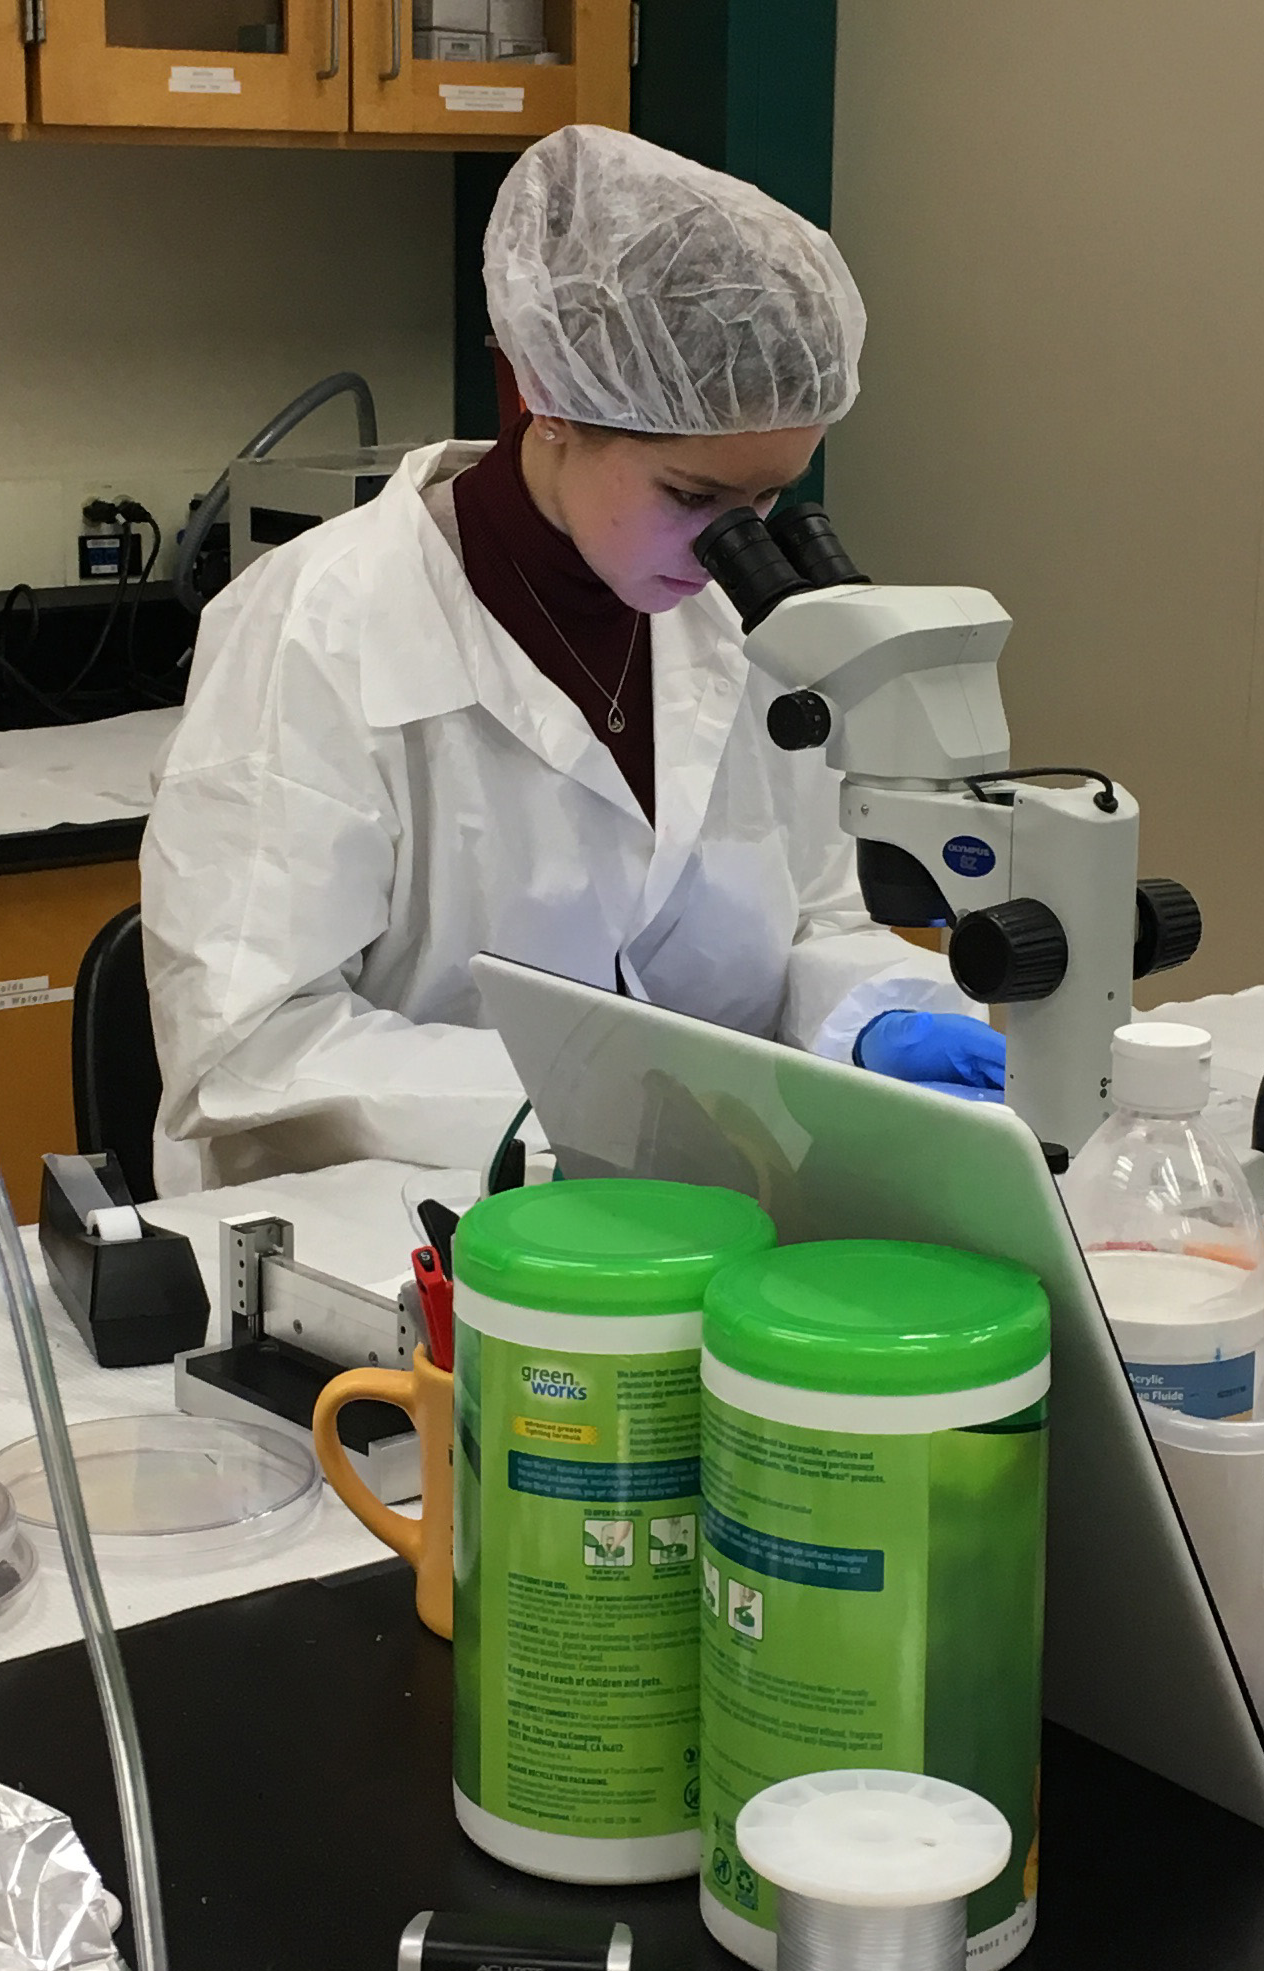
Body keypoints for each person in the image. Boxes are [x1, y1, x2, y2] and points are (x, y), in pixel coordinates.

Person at [140, 122, 998, 1193]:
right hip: (403, 1240)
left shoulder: (751, 627)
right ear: (546, 400)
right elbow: (251, 1053)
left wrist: (876, 1020)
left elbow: (820, 914)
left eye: (770, 499)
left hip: (711, 1227)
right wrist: (628, 1107)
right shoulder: (317, 627)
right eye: (693, 498)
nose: (736, 545)